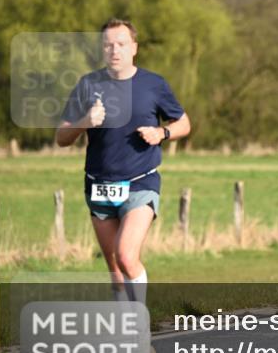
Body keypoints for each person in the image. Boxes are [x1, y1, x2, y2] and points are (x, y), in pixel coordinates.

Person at [56, 19, 190, 310]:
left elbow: (184, 123)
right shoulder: (88, 85)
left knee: (126, 256)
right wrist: (84, 122)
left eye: (121, 44)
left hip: (141, 181)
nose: (114, 50)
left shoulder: (153, 84)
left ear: (134, 48)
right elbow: (61, 137)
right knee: (115, 271)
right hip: (99, 185)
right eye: (108, 45)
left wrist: (162, 133)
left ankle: (140, 325)